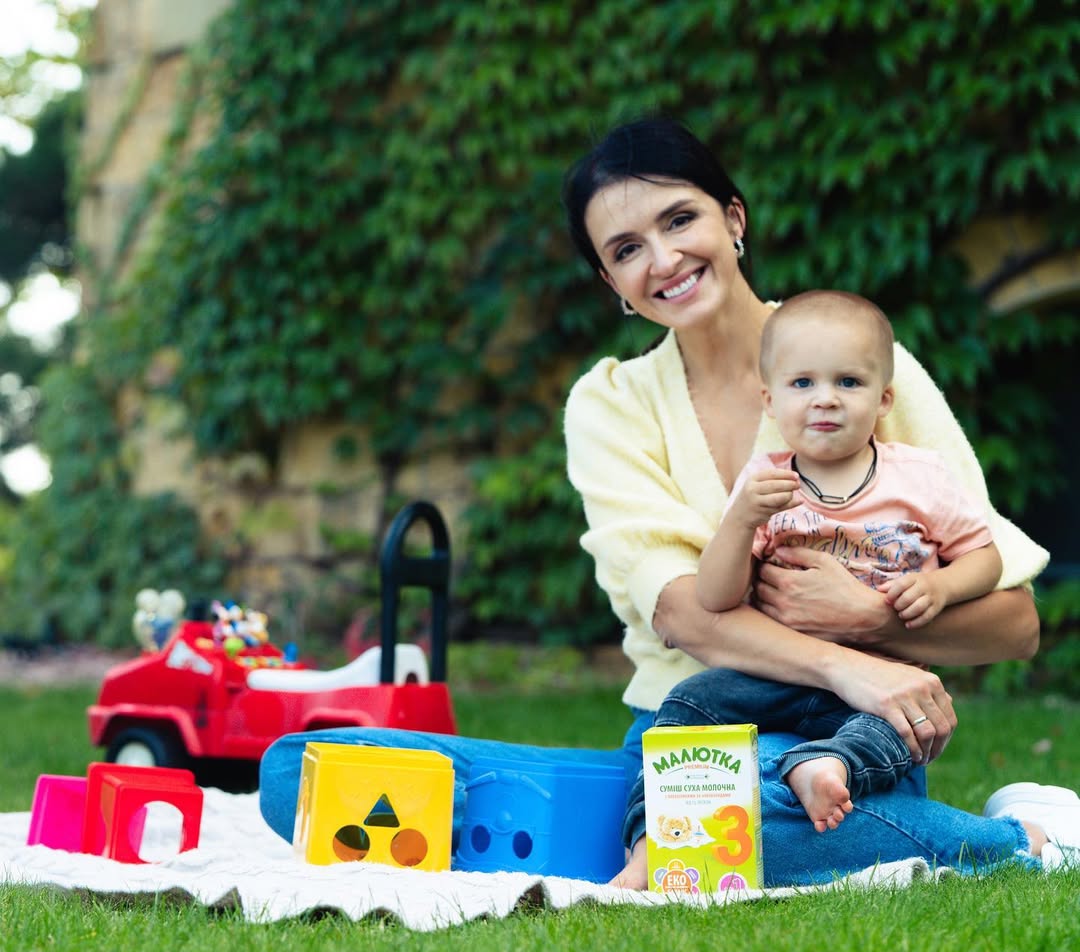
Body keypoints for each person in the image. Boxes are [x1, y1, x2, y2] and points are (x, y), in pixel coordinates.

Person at [259, 116, 1078, 889]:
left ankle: (1009, 844)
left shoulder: (859, 368)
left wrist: (869, 617)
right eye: (626, 248)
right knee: (300, 769)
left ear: (733, 217)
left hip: (851, 740)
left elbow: (1015, 623)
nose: (664, 258)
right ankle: (697, 814)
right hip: (687, 722)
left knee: (743, 808)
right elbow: (682, 616)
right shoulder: (610, 403)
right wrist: (846, 656)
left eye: (680, 219)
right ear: (612, 282)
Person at [672, 289, 1003, 833]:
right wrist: (739, 523)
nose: (824, 399)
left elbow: (984, 559)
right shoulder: (764, 484)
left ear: (884, 400)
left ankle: (827, 766)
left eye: (848, 382)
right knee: (689, 701)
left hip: (883, 685)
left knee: (898, 730)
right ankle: (650, 840)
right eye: (802, 383)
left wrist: (942, 589)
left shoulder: (919, 478)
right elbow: (715, 597)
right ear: (770, 401)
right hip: (780, 675)